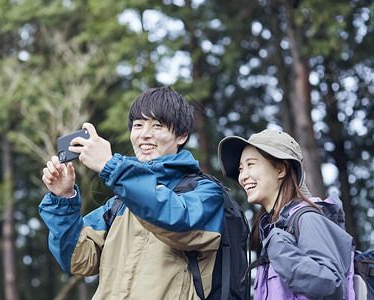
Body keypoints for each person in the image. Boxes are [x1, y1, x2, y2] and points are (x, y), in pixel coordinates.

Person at [39, 87, 225, 299]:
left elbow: (177, 222)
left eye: (157, 126)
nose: (145, 134)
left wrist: (112, 167)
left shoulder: (205, 191)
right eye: (138, 125)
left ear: (181, 136)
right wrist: (64, 198)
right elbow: (78, 260)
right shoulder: (118, 203)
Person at [218, 129, 355, 300]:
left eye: (250, 164)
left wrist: (281, 251)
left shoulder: (307, 219)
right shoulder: (271, 233)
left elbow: (332, 287)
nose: (243, 176)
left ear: (281, 169)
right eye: (240, 169)